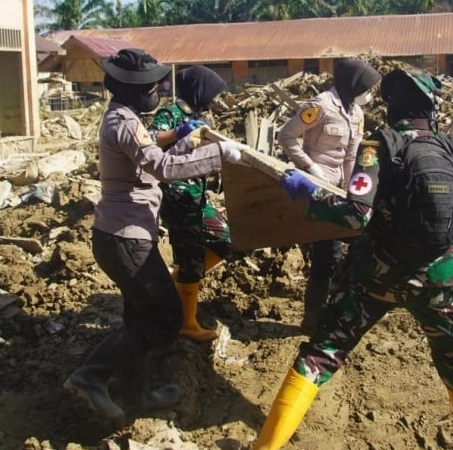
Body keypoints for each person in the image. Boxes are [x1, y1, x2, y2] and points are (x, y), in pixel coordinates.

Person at [252, 68, 453, 450]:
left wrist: (308, 194)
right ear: (432, 106)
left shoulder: (378, 146)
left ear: (392, 104)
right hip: (437, 279)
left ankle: (264, 447)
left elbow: (355, 215)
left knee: (323, 351)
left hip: (375, 277)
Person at [63, 49, 247, 423]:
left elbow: (150, 156)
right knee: (164, 319)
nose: (159, 90)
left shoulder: (125, 116)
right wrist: (218, 156)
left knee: (140, 318)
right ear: (135, 89)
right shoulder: (124, 122)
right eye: (153, 85)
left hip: (126, 234)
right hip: (124, 238)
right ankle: (90, 376)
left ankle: (137, 396)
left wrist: (185, 140)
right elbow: (161, 168)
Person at [275, 58, 381, 333]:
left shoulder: (356, 112)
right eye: (367, 88)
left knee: (356, 246)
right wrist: (310, 168)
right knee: (326, 253)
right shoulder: (319, 106)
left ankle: (339, 309)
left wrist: (352, 189)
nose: (370, 95)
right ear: (353, 84)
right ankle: (313, 318)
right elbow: (285, 136)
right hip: (317, 189)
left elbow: (352, 155)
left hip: (341, 190)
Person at [147, 66, 233, 342]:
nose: (214, 99)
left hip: (196, 193)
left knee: (224, 240)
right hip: (177, 194)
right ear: (199, 89)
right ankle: (186, 321)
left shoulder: (198, 115)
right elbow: (150, 141)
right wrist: (179, 132)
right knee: (191, 256)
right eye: (211, 92)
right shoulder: (171, 114)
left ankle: (180, 283)